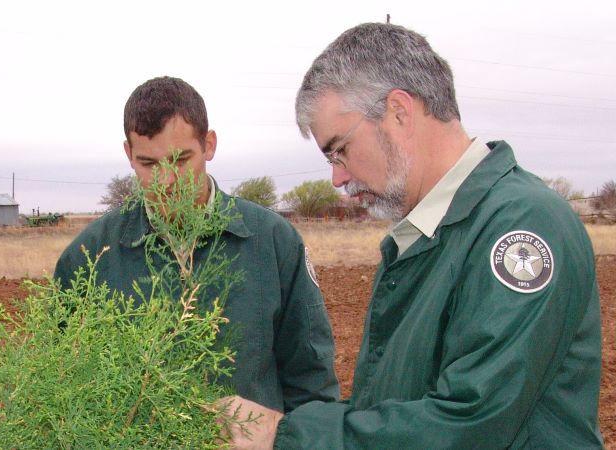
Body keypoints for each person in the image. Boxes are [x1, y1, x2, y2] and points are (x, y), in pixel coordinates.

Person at [222, 23, 604, 449]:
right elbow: (396, 403)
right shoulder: (421, 237)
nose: (337, 177)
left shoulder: (521, 227)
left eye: (339, 149)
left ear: (399, 112)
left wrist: (286, 435)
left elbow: (470, 422)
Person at [55, 76, 340, 413]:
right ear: (129, 154)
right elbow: (64, 390)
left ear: (209, 145)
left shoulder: (274, 241)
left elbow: (311, 382)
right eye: (149, 164)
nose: (167, 181)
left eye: (180, 159)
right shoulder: (88, 257)